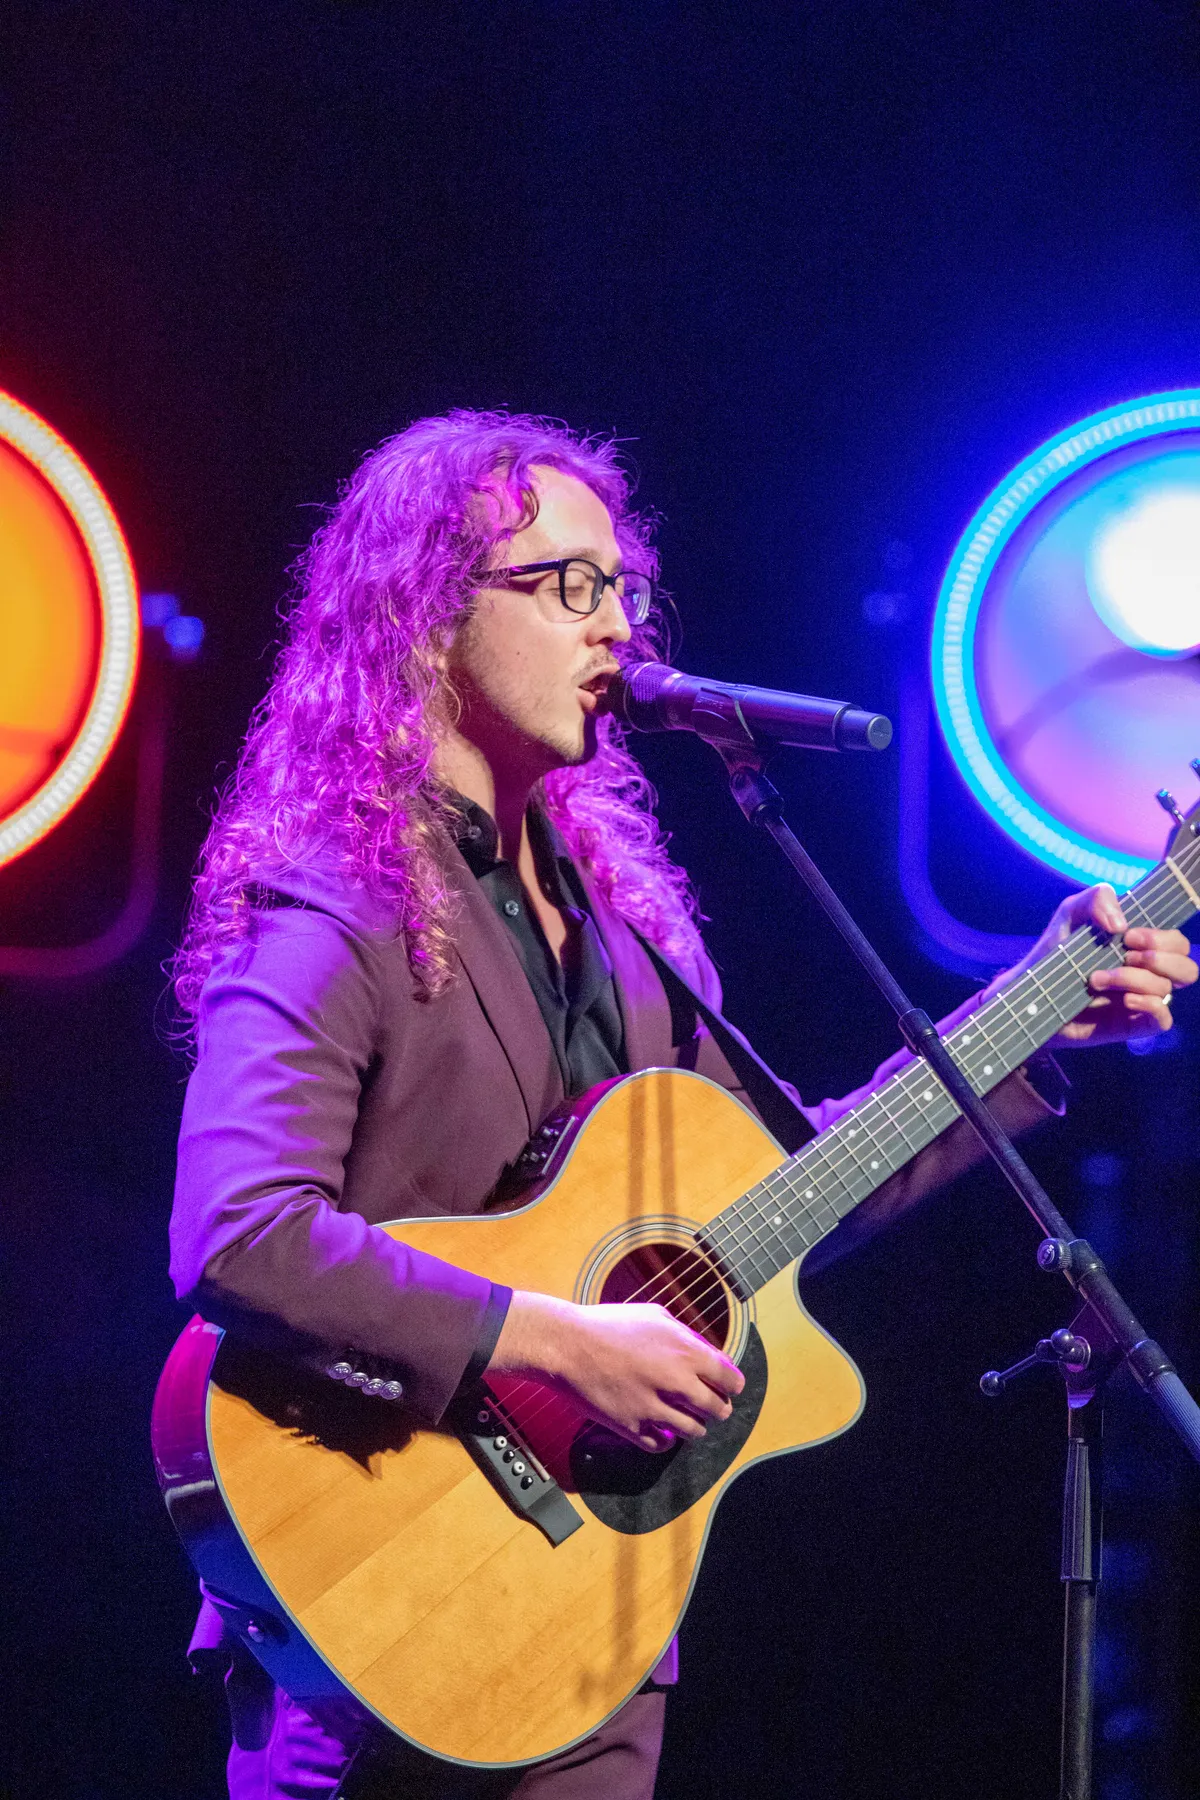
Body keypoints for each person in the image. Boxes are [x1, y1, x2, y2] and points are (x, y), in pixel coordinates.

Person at [169, 410, 1195, 1800]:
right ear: (424, 619)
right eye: (566, 585)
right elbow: (240, 1236)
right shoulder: (334, 909)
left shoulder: (631, 932)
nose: (616, 626)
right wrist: (553, 1340)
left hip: (594, 1617)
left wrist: (1040, 1008)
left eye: (623, 586)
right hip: (370, 1605)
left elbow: (772, 1208)